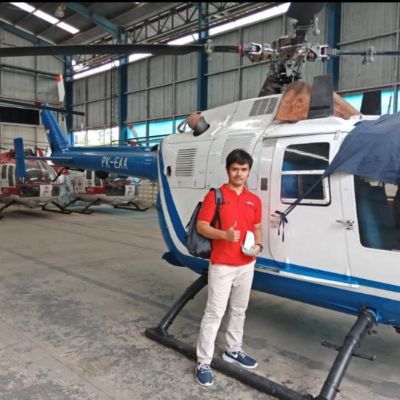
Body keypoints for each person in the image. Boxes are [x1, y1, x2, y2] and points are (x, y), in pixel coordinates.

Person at [195, 149, 263, 386]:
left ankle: (233, 350)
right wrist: (224, 235)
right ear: (227, 170)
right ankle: (203, 361)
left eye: (243, 170)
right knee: (214, 313)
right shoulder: (215, 196)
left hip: (247, 264)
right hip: (222, 265)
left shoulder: (254, 200)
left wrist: (258, 246)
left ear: (249, 171)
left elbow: (257, 228)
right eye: (235, 169)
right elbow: (202, 226)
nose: (239, 174)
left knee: (239, 310)